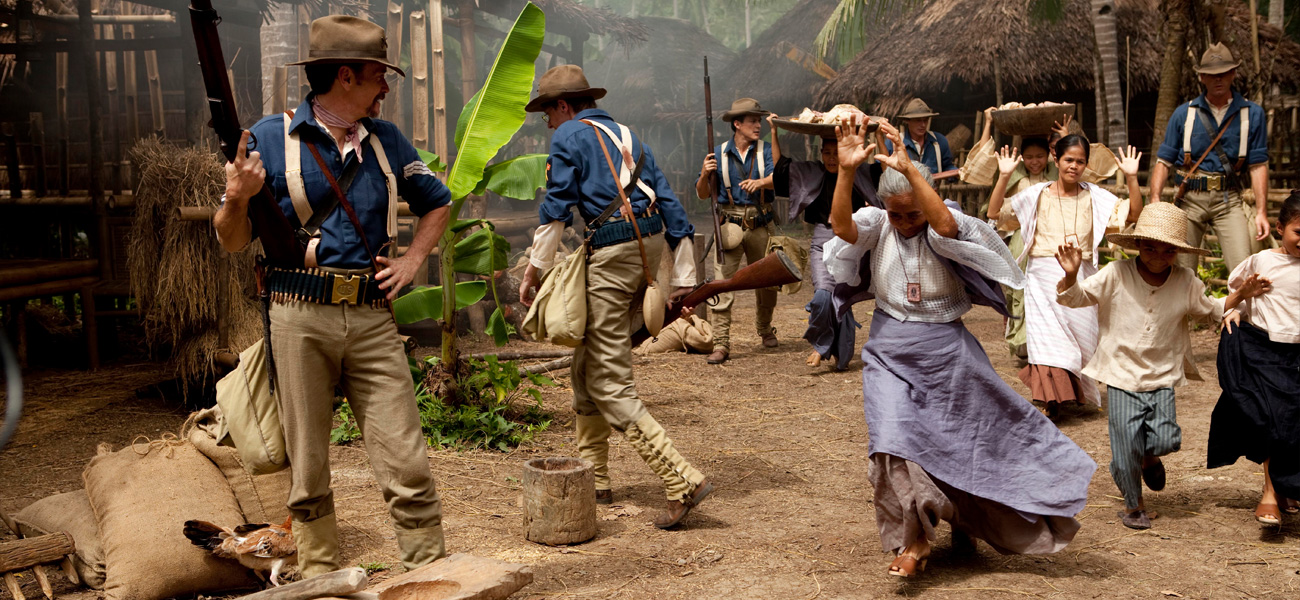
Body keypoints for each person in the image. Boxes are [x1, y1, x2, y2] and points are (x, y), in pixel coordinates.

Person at [214, 15, 451, 577]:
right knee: (309, 466)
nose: (385, 87)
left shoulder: (387, 140)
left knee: (407, 458)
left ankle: (431, 574)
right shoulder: (270, 138)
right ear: (345, 76)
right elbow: (231, 240)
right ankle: (320, 577)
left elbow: (436, 202)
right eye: (377, 75)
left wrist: (414, 260)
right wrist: (237, 198)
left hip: (371, 316)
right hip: (297, 313)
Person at [824, 118, 1095, 577]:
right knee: (892, 439)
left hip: (947, 350)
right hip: (889, 348)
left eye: (913, 213)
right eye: (897, 214)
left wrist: (914, 175)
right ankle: (913, 541)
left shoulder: (942, 222)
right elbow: (842, 228)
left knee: (962, 442)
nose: (906, 223)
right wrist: (848, 172)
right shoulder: (878, 225)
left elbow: (945, 224)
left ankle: (963, 520)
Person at [518, 65, 713, 529]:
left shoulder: (569, 135)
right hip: (647, 245)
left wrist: (534, 269)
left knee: (609, 380)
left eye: (548, 112)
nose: (548, 123)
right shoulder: (628, 135)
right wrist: (684, 275)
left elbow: (557, 205)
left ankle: (681, 478)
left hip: (613, 250)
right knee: (585, 363)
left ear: (564, 106)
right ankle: (597, 480)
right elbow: (669, 200)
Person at [1055, 203, 1268, 529]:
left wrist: (1241, 294)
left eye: (1168, 250)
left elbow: (1211, 309)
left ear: (1178, 253)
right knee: (1125, 444)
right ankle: (1133, 505)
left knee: (1166, 440)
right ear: (1137, 245)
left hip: (1162, 374)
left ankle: (1148, 457)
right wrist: (1071, 274)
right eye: (1150, 247)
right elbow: (1076, 298)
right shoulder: (1117, 273)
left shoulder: (1185, 280)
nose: (1157, 255)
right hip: (1121, 372)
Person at [986, 135, 1142, 419]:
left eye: (1080, 161)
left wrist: (1131, 178)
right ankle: (1052, 400)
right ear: (1055, 159)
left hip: (1081, 277)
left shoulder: (1095, 196)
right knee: (1048, 339)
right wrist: (1004, 175)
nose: (1074, 166)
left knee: (1080, 340)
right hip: (1042, 276)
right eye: (1068, 160)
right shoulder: (1036, 195)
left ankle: (1070, 392)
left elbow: (1131, 215)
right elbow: (995, 212)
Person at [1207, 193, 1300, 527]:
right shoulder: (1262, 262)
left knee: (1293, 426)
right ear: (1280, 228)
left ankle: (1287, 488)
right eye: (1298, 232)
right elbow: (1234, 292)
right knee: (1271, 421)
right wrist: (1232, 309)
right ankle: (1270, 493)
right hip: (1264, 351)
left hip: (1297, 358)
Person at [767, 113, 881, 370]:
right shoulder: (811, 174)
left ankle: (840, 352)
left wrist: (881, 136)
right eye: (826, 153)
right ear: (821, 154)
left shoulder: (858, 173)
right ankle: (821, 345)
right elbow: (781, 171)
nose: (832, 158)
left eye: (836, 152)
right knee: (821, 297)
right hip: (821, 239)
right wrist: (774, 133)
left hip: (851, 241)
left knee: (840, 299)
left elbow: (884, 169)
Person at [1148, 42, 1270, 273]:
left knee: (1242, 267)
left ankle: (1237, 310)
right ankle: (1188, 310)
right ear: (1202, 77)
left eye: (1223, 73)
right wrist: (1155, 199)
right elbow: (1163, 161)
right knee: (1181, 270)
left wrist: (1262, 212)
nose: (1218, 79)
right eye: (1211, 75)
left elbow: (1258, 165)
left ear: (1233, 73)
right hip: (1189, 199)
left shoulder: (1252, 114)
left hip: (1229, 199)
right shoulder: (1183, 114)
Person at [695, 98, 778, 364]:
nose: (757, 125)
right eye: (752, 121)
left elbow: (780, 177)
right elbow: (703, 194)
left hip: (760, 222)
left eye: (758, 120)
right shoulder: (717, 153)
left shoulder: (765, 150)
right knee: (722, 283)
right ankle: (720, 343)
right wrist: (703, 175)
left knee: (767, 281)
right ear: (737, 124)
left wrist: (761, 182)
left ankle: (764, 328)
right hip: (729, 225)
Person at [883, 98, 956, 177]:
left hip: (932, 188)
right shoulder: (893, 143)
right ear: (908, 121)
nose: (923, 125)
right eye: (918, 120)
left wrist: (956, 172)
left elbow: (947, 166)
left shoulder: (939, 141)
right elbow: (881, 170)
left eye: (925, 120)